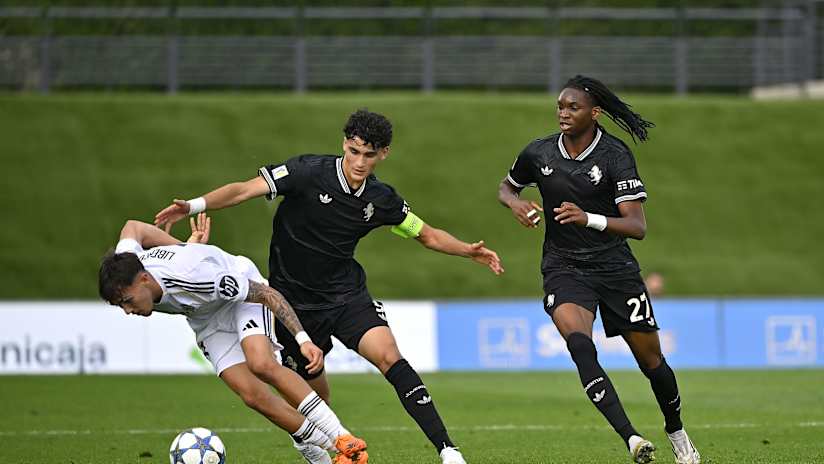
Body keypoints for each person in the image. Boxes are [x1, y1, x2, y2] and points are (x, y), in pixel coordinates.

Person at [154, 109, 504, 464]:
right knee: (316, 402)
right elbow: (244, 190)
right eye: (354, 151)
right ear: (344, 144)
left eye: (369, 155)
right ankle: (316, 445)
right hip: (293, 306)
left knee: (389, 356)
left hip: (347, 297)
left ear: (383, 154)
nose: (359, 162)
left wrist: (467, 250)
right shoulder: (307, 172)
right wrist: (193, 205)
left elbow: (426, 234)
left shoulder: (381, 199)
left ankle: (448, 450)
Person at [497, 75, 701, 464]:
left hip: (615, 269)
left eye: (573, 107)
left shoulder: (614, 155)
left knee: (652, 363)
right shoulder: (539, 152)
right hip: (564, 266)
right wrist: (515, 203)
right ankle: (632, 438)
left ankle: (676, 430)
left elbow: (637, 226)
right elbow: (507, 187)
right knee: (579, 345)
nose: (563, 113)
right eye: (560, 106)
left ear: (595, 113)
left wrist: (587, 218)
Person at [98, 214, 368, 464]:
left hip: (241, 298)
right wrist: (183, 247)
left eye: (128, 301)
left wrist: (302, 339)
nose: (128, 310)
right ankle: (328, 448)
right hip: (205, 319)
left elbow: (267, 295)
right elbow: (133, 227)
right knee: (253, 396)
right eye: (121, 305)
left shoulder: (196, 277)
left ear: (145, 279)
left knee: (261, 364)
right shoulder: (127, 261)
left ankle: (342, 437)